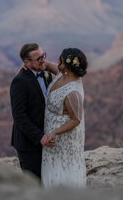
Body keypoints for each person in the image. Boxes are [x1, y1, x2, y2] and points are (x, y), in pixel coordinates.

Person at [41, 47, 88, 189]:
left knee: (62, 171)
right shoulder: (63, 75)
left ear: (66, 65)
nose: (57, 63)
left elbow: (76, 120)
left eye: (60, 61)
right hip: (51, 134)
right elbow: (48, 65)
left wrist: (54, 133)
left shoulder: (73, 91)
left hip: (62, 139)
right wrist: (26, 65)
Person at [10, 43, 54, 180]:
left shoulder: (46, 74)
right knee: (35, 183)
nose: (43, 60)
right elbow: (19, 116)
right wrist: (39, 136)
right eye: (39, 58)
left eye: (43, 56)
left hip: (46, 139)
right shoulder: (19, 81)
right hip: (28, 144)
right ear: (27, 63)